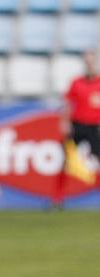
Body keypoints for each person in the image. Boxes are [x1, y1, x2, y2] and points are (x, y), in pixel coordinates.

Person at [58, 48, 100, 199]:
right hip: (78, 125)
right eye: (86, 60)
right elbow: (68, 103)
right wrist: (65, 122)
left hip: (95, 127)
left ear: (94, 62)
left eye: (91, 60)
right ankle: (57, 199)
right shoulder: (76, 83)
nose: (89, 64)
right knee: (65, 161)